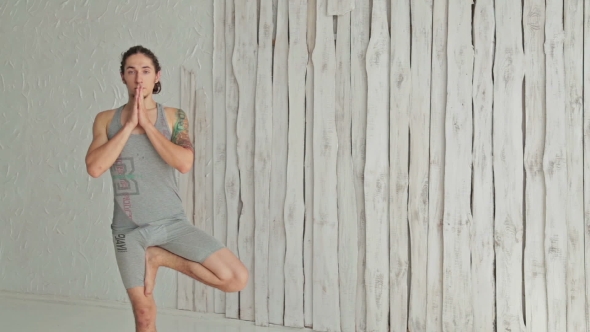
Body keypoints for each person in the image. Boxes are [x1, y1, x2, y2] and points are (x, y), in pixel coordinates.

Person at [85, 45, 248, 332]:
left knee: (235, 278)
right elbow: (95, 168)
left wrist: (147, 126)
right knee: (144, 314)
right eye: (131, 71)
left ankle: (160, 257)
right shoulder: (105, 120)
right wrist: (128, 127)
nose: (139, 78)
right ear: (122, 76)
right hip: (128, 232)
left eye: (146, 71)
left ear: (157, 76)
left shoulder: (173, 117)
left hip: (173, 225)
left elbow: (184, 163)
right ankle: (152, 256)